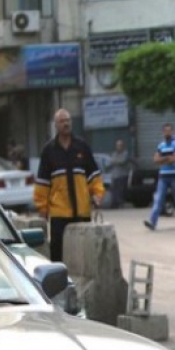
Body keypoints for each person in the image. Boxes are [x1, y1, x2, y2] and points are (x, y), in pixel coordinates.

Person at [34, 109, 105, 262]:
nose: (66, 124)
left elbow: (93, 175)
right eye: (62, 121)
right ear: (56, 125)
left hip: (82, 211)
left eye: (68, 120)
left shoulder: (82, 147)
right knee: (58, 253)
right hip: (59, 213)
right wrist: (42, 209)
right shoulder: (49, 151)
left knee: (84, 253)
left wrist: (97, 194)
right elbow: (43, 183)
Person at [143, 123, 175, 230]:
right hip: (163, 176)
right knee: (159, 199)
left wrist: (162, 159)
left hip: (174, 175)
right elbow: (155, 159)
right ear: (163, 132)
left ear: (172, 131)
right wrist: (167, 158)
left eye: (169, 130)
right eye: (166, 131)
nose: (167, 132)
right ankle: (153, 222)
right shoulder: (161, 145)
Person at [106, 139, 135, 209]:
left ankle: (121, 203)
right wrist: (115, 161)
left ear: (123, 146)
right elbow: (111, 162)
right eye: (117, 145)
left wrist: (115, 161)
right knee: (114, 190)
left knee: (121, 190)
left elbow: (122, 161)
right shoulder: (114, 154)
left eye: (120, 145)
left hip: (122, 175)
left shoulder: (125, 153)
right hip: (115, 175)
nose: (119, 147)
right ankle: (114, 204)